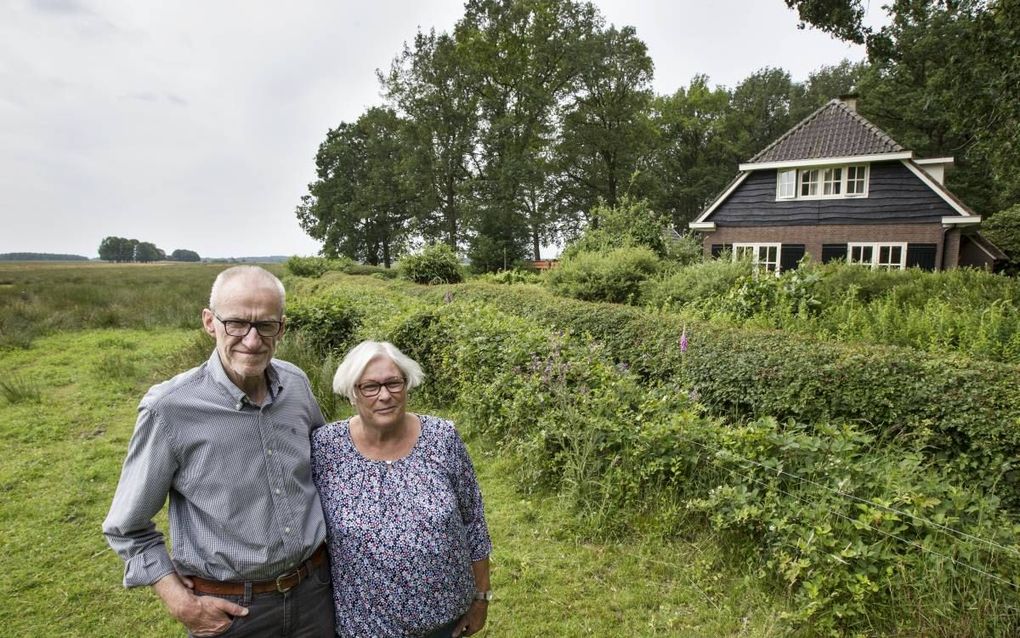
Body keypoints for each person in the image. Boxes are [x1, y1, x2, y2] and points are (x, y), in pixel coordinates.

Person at [103, 266, 334, 637]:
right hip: (235, 613)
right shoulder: (170, 409)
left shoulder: (296, 384)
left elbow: (324, 468)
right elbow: (127, 528)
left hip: (316, 593)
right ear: (210, 322)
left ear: (282, 328)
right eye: (237, 324)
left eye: (266, 326)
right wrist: (182, 603)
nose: (252, 340)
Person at [311, 341, 492, 638]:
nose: (385, 395)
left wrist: (481, 598)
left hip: (448, 624)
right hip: (364, 629)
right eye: (370, 386)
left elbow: (473, 521)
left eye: (394, 383)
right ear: (352, 393)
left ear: (406, 385)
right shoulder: (326, 448)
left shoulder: (442, 438)